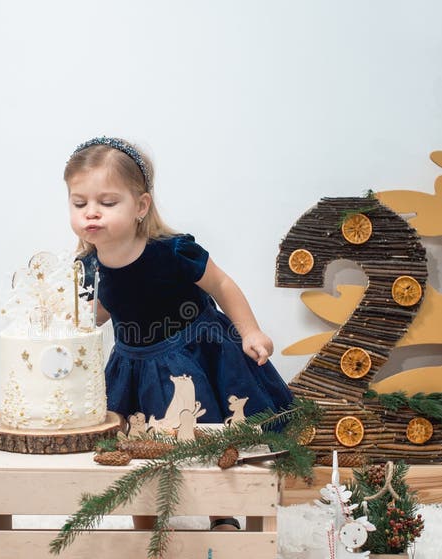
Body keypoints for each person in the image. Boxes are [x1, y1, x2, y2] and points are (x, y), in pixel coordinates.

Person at [64, 136, 293, 531]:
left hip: (194, 355)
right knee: (136, 444)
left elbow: (221, 285)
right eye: (80, 203)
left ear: (140, 206)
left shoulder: (170, 252)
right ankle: (146, 520)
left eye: (107, 202)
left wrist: (250, 331)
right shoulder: (89, 263)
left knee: (207, 438)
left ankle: (221, 513)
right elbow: (105, 306)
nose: (92, 214)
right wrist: (76, 331)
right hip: (133, 364)